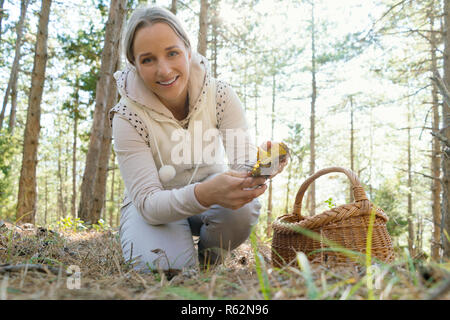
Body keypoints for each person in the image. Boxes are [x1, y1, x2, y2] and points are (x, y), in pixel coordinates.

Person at [109, 6, 287, 273]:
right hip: (154, 206)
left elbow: (243, 163)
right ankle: (175, 254)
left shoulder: (220, 95)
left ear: (188, 50)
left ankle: (208, 265)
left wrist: (262, 167)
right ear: (134, 64)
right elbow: (147, 202)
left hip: (210, 190)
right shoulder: (126, 116)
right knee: (164, 269)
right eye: (148, 60)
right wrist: (203, 194)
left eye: (172, 53)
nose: (164, 70)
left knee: (244, 209)